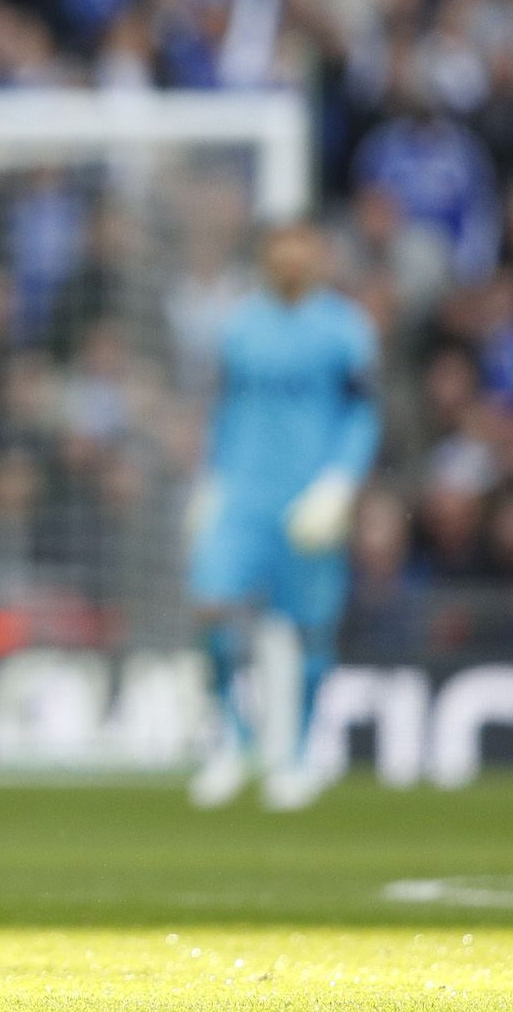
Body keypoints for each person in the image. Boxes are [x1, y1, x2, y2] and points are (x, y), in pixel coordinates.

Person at [185, 222, 380, 812]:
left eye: (301, 253)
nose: (290, 264)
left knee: (309, 630)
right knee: (213, 609)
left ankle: (296, 755)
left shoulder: (345, 329)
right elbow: (225, 407)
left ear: (318, 259)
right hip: (242, 494)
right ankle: (232, 742)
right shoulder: (240, 326)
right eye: (280, 254)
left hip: (308, 498)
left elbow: (362, 414)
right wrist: (212, 479)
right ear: (267, 260)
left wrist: (339, 484)